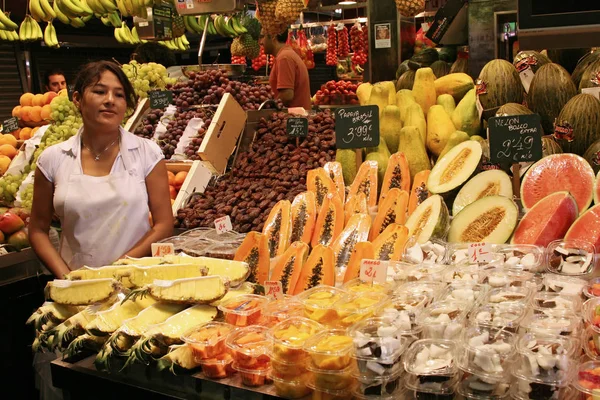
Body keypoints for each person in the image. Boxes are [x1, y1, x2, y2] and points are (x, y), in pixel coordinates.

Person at [29, 60, 173, 276]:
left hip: (135, 280)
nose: (110, 101)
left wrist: (118, 269)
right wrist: (67, 277)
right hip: (76, 283)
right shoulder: (52, 159)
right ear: (77, 99)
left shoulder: (147, 153)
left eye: (119, 95)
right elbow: (38, 230)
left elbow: (163, 224)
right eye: (99, 91)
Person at [261, 29, 312, 110]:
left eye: (263, 37)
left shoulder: (284, 58)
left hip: (294, 119)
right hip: (297, 118)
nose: (261, 42)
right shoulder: (286, 55)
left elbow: (287, 95)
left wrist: (267, 109)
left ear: (273, 37)